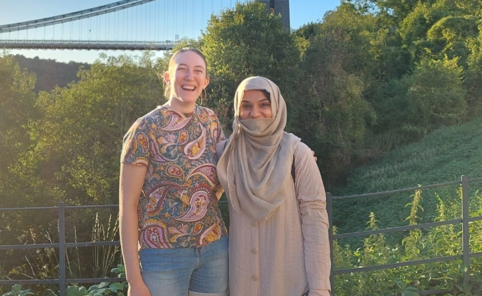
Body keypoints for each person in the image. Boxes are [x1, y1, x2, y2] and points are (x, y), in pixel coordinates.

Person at [119, 48, 229, 296]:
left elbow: (231, 168)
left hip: (214, 250)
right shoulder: (145, 128)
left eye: (197, 71)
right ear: (168, 77)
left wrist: (294, 153)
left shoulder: (210, 121)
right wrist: (133, 281)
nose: (190, 76)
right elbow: (127, 208)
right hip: (162, 257)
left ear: (205, 82)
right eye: (182, 69)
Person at [217, 76, 331, 296]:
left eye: (264, 105)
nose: (255, 113)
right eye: (246, 106)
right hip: (242, 285)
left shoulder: (298, 154)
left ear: (276, 107)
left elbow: (315, 222)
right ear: (237, 110)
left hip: (289, 284)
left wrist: (319, 288)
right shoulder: (225, 153)